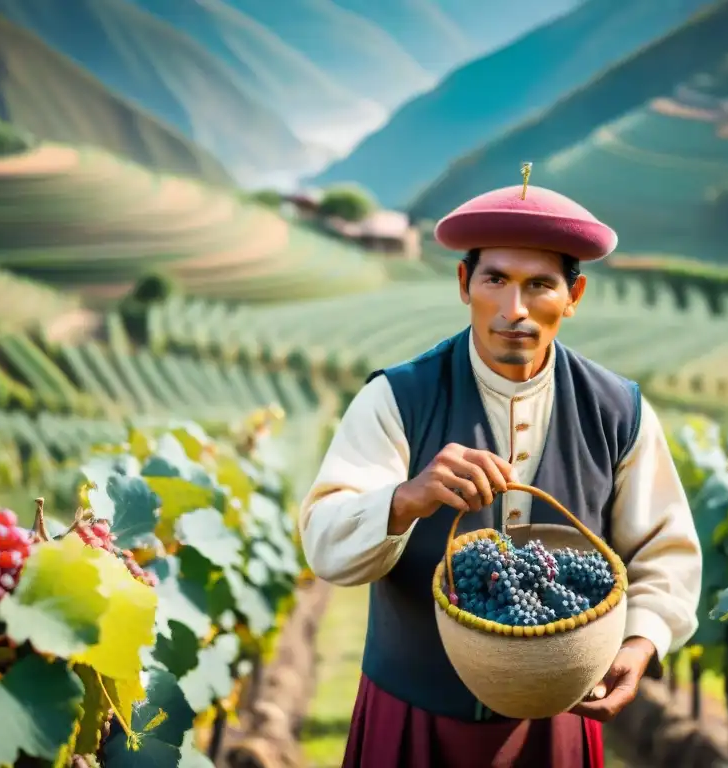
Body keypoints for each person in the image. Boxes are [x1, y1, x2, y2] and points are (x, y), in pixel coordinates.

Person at [299, 171, 702, 768]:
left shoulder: (621, 412)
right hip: (412, 720)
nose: (515, 310)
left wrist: (641, 640)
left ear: (575, 296)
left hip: (557, 726)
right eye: (496, 279)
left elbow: (666, 552)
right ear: (465, 283)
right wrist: (406, 499)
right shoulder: (394, 400)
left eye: (540, 284)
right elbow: (326, 544)